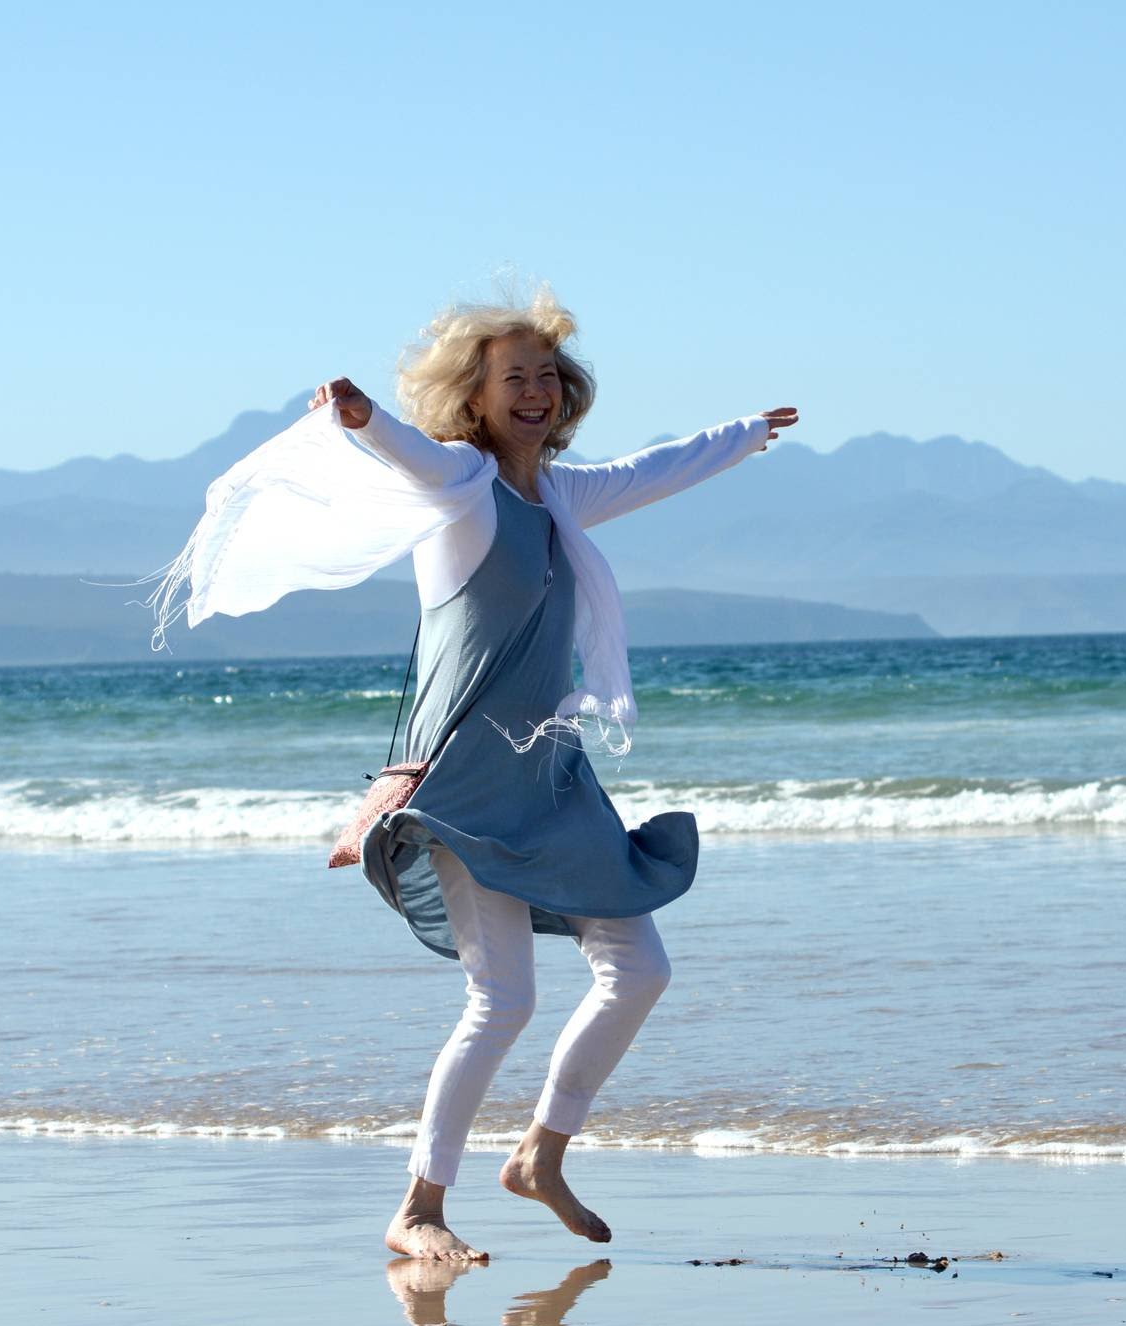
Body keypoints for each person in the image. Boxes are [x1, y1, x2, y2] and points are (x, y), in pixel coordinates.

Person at [153, 287, 796, 1259]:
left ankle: (541, 1154)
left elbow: (654, 469)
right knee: (503, 1000)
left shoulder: (567, 495)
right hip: (462, 779)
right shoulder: (455, 482)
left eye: (547, 375)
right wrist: (364, 419)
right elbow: (403, 449)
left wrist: (745, 433)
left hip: (552, 776)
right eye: (513, 379)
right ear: (476, 396)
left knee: (641, 968)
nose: (535, 392)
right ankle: (418, 1208)